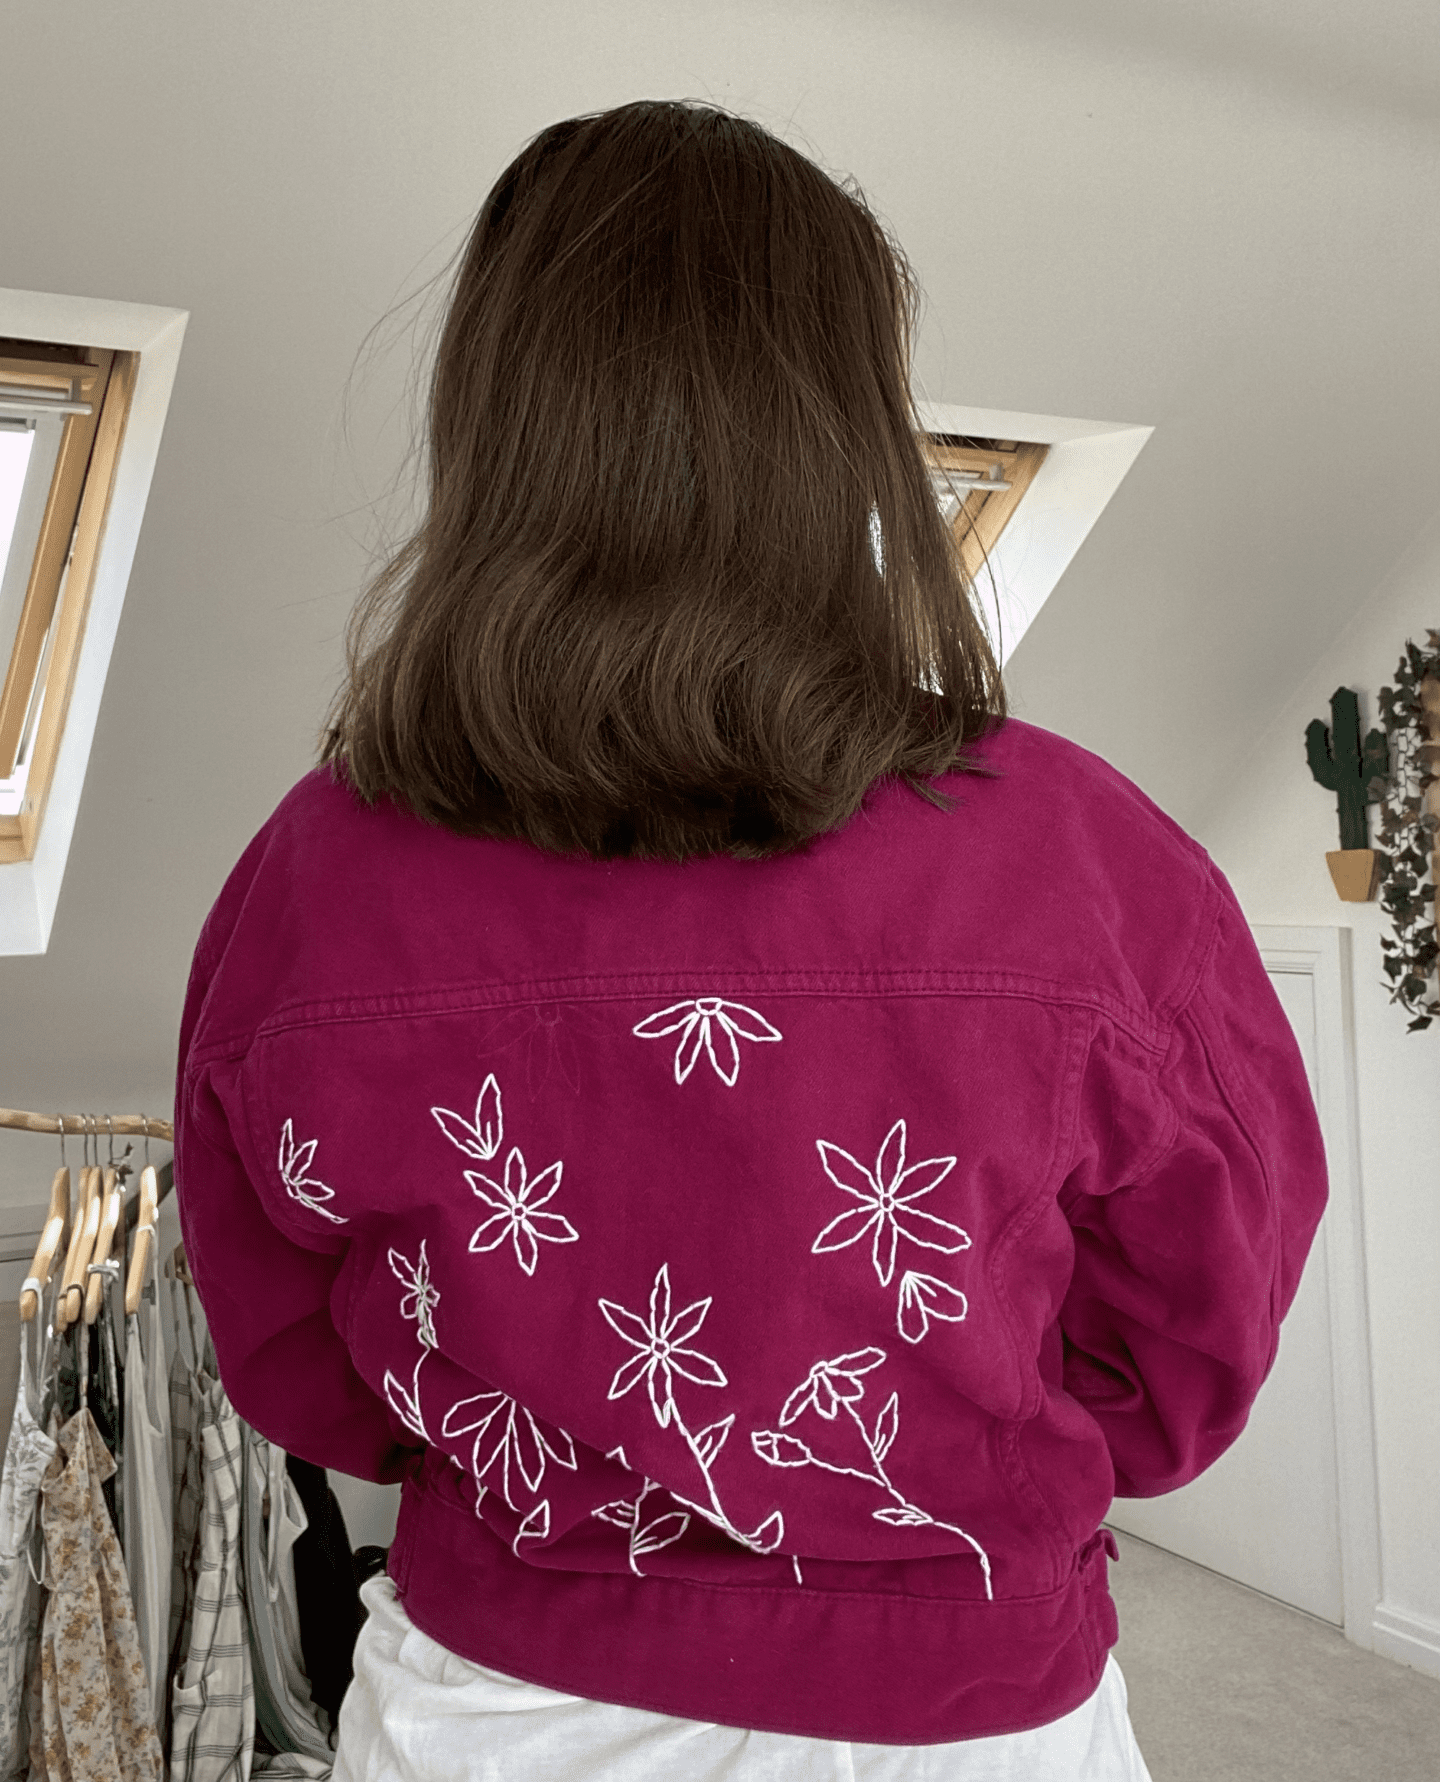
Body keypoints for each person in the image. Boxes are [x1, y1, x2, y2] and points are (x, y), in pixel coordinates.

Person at [174, 99, 1328, 1781]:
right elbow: (1189, 1353)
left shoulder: (317, 871)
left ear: (498, 412)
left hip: (493, 1710)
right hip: (974, 1724)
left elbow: (297, 1358)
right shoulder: (1089, 861)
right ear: (849, 425)